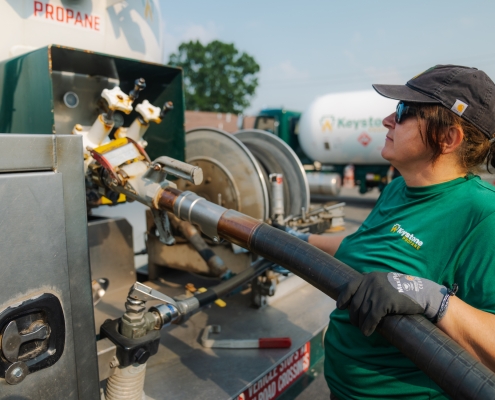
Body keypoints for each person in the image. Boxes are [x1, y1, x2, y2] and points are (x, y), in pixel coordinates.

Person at [287, 65, 495, 399]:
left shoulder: (484, 215)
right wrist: (298, 242)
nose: (387, 120)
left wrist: (432, 298)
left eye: (402, 112)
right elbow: (369, 248)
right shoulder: (398, 189)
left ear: (448, 138)